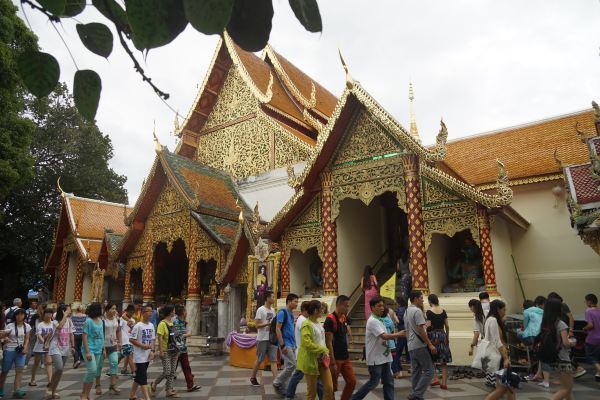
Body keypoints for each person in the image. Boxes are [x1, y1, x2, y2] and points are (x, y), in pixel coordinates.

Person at [352, 296, 405, 400]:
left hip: (385, 356)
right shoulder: (372, 321)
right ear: (372, 308)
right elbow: (384, 336)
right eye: (379, 306)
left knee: (389, 382)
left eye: (383, 305)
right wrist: (399, 334)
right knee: (373, 382)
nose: (382, 308)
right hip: (375, 359)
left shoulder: (381, 319)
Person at [538, 297, 575, 400]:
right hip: (564, 359)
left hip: (554, 359)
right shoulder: (561, 324)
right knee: (566, 389)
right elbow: (566, 343)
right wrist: (572, 343)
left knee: (568, 389)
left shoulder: (545, 323)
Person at [285, 301, 323, 400]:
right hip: (304, 355)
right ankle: (289, 395)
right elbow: (308, 341)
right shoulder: (304, 321)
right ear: (306, 310)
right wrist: (322, 349)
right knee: (305, 379)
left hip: (304, 354)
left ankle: (289, 395)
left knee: (314, 381)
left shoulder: (302, 319)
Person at [297, 300, 333, 400]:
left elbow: (321, 340)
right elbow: (306, 343)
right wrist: (322, 349)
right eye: (321, 309)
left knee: (329, 388)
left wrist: (325, 352)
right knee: (311, 393)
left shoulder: (318, 323)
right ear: (316, 310)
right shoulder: (306, 324)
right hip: (311, 361)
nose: (323, 311)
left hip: (323, 360)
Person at [404, 290, 436, 400]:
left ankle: (415, 394)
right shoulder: (417, 311)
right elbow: (421, 329)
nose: (423, 300)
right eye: (421, 298)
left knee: (416, 372)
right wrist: (430, 344)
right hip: (419, 345)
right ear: (416, 299)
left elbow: (407, 330)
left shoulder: (407, 311)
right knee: (429, 371)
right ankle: (416, 394)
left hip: (411, 345)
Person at [548, 291, 586, 379]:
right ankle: (571, 371)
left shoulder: (563, 305)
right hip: (559, 330)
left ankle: (576, 368)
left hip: (564, 329)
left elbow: (571, 318)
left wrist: (571, 330)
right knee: (563, 352)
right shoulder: (553, 308)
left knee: (566, 351)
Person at [324, 295, 356, 400]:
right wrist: (332, 362)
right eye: (346, 306)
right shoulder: (330, 319)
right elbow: (328, 342)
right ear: (339, 305)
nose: (348, 308)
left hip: (345, 357)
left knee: (352, 382)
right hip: (335, 358)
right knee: (332, 387)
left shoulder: (345, 317)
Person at [483, 300, 513, 400]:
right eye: (504, 309)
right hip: (499, 356)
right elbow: (498, 342)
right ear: (498, 309)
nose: (505, 312)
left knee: (506, 387)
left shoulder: (489, 319)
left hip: (494, 355)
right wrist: (506, 358)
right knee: (504, 388)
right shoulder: (493, 320)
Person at [0, 308, 31, 399]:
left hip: (21, 351)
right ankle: (1, 389)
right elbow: (4, 336)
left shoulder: (27, 326)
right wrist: (5, 338)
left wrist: (25, 347)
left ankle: (17, 390)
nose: (19, 316)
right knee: (5, 371)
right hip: (9, 349)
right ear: (15, 316)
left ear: (25, 316)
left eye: (22, 314)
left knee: (19, 370)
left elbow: (27, 338)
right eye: (18, 314)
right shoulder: (10, 325)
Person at [46, 304, 74, 400]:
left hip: (65, 348)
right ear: (62, 311)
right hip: (55, 347)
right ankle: (50, 388)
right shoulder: (55, 321)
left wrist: (73, 346)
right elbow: (60, 327)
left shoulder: (70, 321)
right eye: (68, 310)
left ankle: (53, 391)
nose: (70, 312)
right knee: (59, 367)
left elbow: (71, 334)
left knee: (60, 371)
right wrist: (65, 316)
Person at [273, 293, 299, 396]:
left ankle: (285, 388)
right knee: (292, 365)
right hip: (286, 343)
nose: (297, 304)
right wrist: (282, 345)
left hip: (292, 344)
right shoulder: (282, 312)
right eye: (295, 301)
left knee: (288, 366)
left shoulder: (291, 313)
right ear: (289, 302)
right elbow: (277, 329)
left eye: (297, 302)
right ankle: (277, 382)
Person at [250, 291, 278, 386]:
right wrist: (267, 324)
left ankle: (276, 382)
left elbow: (274, 323)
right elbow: (257, 325)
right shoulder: (260, 310)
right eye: (273, 297)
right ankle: (253, 377)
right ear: (267, 298)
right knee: (259, 359)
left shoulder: (273, 310)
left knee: (273, 360)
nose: (274, 298)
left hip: (271, 338)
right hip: (262, 338)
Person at [128, 304, 155, 400]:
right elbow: (131, 339)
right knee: (143, 378)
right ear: (143, 313)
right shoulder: (138, 326)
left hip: (147, 356)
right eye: (148, 311)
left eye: (151, 311)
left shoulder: (151, 325)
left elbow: (152, 339)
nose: (150, 313)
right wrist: (142, 346)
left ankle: (132, 394)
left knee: (139, 376)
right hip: (139, 356)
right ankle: (147, 398)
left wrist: (152, 350)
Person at [151, 305, 179, 397]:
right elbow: (160, 337)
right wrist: (161, 351)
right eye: (173, 310)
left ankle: (168, 390)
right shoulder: (162, 324)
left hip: (174, 350)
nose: (175, 312)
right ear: (170, 312)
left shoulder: (173, 322)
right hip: (166, 350)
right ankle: (155, 383)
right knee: (167, 371)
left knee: (172, 371)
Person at [426, 294, 452, 389]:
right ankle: (444, 383)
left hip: (434, 336)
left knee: (432, 358)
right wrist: (447, 337)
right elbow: (447, 326)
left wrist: (428, 339)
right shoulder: (443, 311)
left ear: (430, 301)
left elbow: (428, 326)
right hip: (442, 334)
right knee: (443, 361)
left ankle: (435, 378)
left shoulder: (429, 312)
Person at [173, 305, 200, 392]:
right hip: (176, 349)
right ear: (182, 312)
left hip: (183, 349)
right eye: (185, 311)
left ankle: (190, 385)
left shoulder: (183, 322)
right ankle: (157, 385)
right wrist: (186, 335)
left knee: (186, 367)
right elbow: (174, 336)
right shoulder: (176, 322)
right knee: (171, 370)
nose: (187, 313)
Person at [80, 302, 104, 400]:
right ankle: (84, 394)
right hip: (89, 349)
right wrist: (88, 352)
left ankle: (86, 393)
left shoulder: (101, 321)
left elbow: (102, 335)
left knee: (94, 372)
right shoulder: (88, 321)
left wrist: (103, 348)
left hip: (98, 349)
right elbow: (84, 336)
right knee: (92, 370)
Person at [524, 296, 549, 387]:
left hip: (536, 336)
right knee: (539, 356)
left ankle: (539, 376)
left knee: (536, 355)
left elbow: (526, 325)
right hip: (542, 335)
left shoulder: (528, 312)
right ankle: (539, 374)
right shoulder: (543, 312)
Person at [29, 307, 53, 387]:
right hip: (39, 346)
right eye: (47, 313)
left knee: (49, 363)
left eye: (50, 313)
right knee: (36, 363)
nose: (49, 315)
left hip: (49, 347)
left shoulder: (53, 324)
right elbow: (38, 335)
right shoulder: (40, 324)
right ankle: (33, 379)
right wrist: (44, 343)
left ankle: (50, 381)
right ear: (44, 314)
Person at [103, 302, 121, 395]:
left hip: (113, 345)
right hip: (103, 345)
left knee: (114, 363)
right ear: (107, 310)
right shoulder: (102, 320)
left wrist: (120, 342)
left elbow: (118, 330)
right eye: (112, 309)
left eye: (115, 308)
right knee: (98, 367)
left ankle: (113, 384)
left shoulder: (116, 318)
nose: (114, 310)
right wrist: (103, 348)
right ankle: (97, 384)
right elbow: (100, 333)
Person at [583, 293, 600, 382]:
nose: (585, 302)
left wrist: (584, 328)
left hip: (592, 338)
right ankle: (598, 374)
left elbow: (590, 325)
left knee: (591, 357)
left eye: (585, 301)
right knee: (598, 357)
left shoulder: (588, 311)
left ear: (589, 302)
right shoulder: (599, 310)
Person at [393, 295, 409, 378]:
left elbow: (398, 321)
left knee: (397, 352)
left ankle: (396, 370)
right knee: (409, 352)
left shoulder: (399, 310)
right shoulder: (407, 309)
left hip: (401, 332)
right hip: (408, 332)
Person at [120, 304, 136, 376]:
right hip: (124, 340)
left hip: (130, 339)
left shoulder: (133, 320)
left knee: (126, 355)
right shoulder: (122, 319)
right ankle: (134, 371)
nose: (132, 314)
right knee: (130, 354)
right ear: (127, 311)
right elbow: (118, 329)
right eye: (130, 312)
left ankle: (124, 369)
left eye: (133, 312)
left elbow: (133, 330)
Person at [71, 303, 87, 369]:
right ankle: (81, 359)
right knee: (81, 347)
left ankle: (77, 360)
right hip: (82, 333)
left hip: (74, 333)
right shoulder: (85, 316)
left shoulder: (73, 316)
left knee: (75, 347)